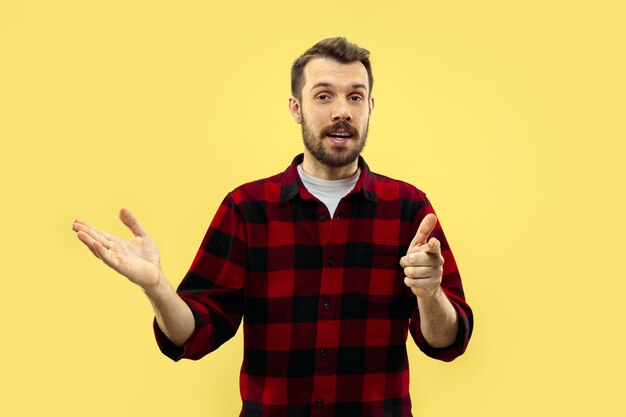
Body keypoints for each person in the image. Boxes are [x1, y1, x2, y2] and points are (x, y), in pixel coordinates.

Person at [72, 37, 473, 417]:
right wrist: (155, 285)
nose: (341, 111)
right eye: (323, 95)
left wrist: (430, 293)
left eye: (354, 96)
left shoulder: (409, 209)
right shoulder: (248, 209)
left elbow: (446, 342)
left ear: (370, 106)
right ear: (296, 108)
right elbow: (193, 335)